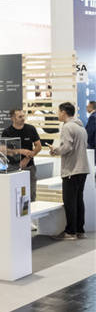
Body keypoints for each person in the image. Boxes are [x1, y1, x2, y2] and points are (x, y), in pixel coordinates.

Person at [48, 102, 91, 240]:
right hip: (82, 169)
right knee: (78, 200)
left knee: (70, 202)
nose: (58, 114)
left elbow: (67, 147)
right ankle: (79, 230)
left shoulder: (67, 127)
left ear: (64, 112)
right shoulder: (81, 127)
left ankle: (70, 232)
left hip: (72, 170)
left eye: (58, 112)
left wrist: (55, 150)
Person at [1, 109, 42, 202]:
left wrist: (28, 158)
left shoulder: (31, 129)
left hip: (29, 167)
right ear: (12, 118)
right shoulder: (7, 132)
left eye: (24, 116)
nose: (23, 118)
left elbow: (38, 146)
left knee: (31, 195)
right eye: (20, 117)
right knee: (13, 196)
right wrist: (20, 151)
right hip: (12, 168)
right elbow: (3, 150)